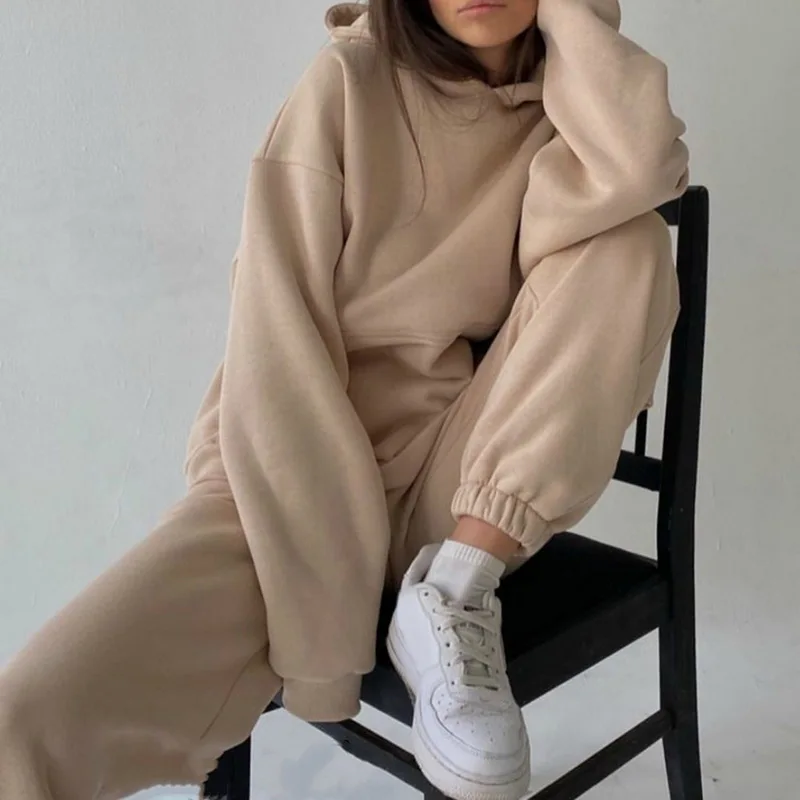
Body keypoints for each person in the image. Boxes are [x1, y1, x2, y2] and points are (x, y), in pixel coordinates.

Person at [0, 1, 688, 798]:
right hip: (286, 486)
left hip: (454, 495)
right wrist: (325, 629)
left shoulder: (569, 113)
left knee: (632, 242)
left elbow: (643, 168)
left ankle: (456, 590)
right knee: (27, 721)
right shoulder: (346, 85)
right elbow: (274, 348)